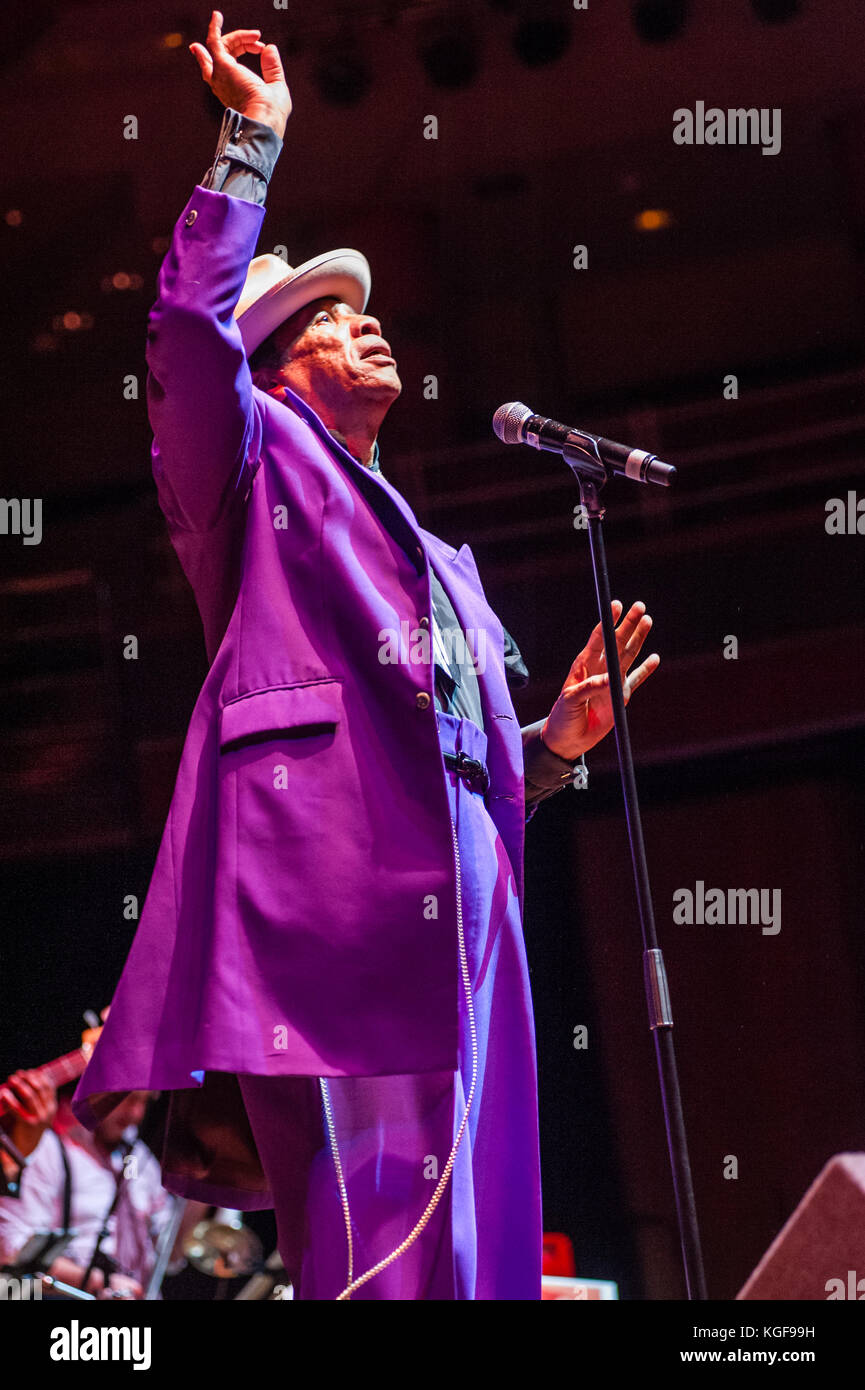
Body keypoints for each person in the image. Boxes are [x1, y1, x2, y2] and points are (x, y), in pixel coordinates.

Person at [72, 12, 659, 1300]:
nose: (368, 327)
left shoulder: (446, 563)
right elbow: (181, 332)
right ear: (273, 377)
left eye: (367, 316)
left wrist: (550, 749)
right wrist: (250, 144)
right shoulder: (247, 472)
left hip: (469, 903)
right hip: (330, 907)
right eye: (331, 323)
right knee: (378, 1234)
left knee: (483, 1222)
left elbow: (466, 757)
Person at [0, 1071, 201, 1297]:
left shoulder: (139, 1159)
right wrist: (101, 1282)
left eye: (144, 1101)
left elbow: (171, 1255)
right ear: (94, 1089)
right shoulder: (47, 1148)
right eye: (128, 1099)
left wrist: (201, 1185)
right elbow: (12, 1249)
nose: (136, 1114)